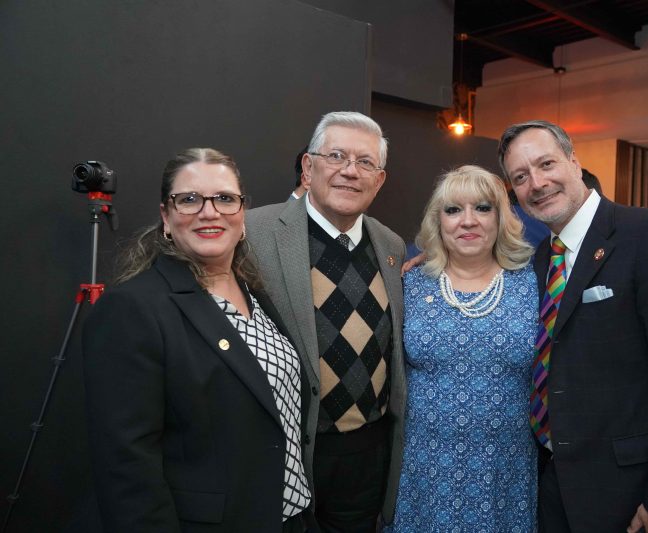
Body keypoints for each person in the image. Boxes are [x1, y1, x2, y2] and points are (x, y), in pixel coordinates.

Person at [498, 120, 648, 532]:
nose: (537, 183)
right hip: (554, 488)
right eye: (520, 177)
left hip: (636, 497)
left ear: (574, 161)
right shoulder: (538, 261)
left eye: (546, 164)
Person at [83, 148, 311, 532]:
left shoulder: (253, 292)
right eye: (189, 199)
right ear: (166, 216)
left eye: (225, 198)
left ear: (242, 213)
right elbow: (127, 470)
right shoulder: (132, 309)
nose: (210, 212)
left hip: (289, 519)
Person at [247, 111, 406, 532]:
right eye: (336, 156)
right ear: (308, 166)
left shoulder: (390, 244)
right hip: (283, 448)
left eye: (365, 162)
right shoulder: (253, 232)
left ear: (379, 180)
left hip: (364, 454)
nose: (350, 171)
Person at [387, 166, 538, 532]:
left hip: (506, 472)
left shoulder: (534, 283)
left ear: (501, 218)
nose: (468, 221)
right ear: (437, 221)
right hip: (423, 471)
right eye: (453, 210)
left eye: (483, 208)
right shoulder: (407, 283)